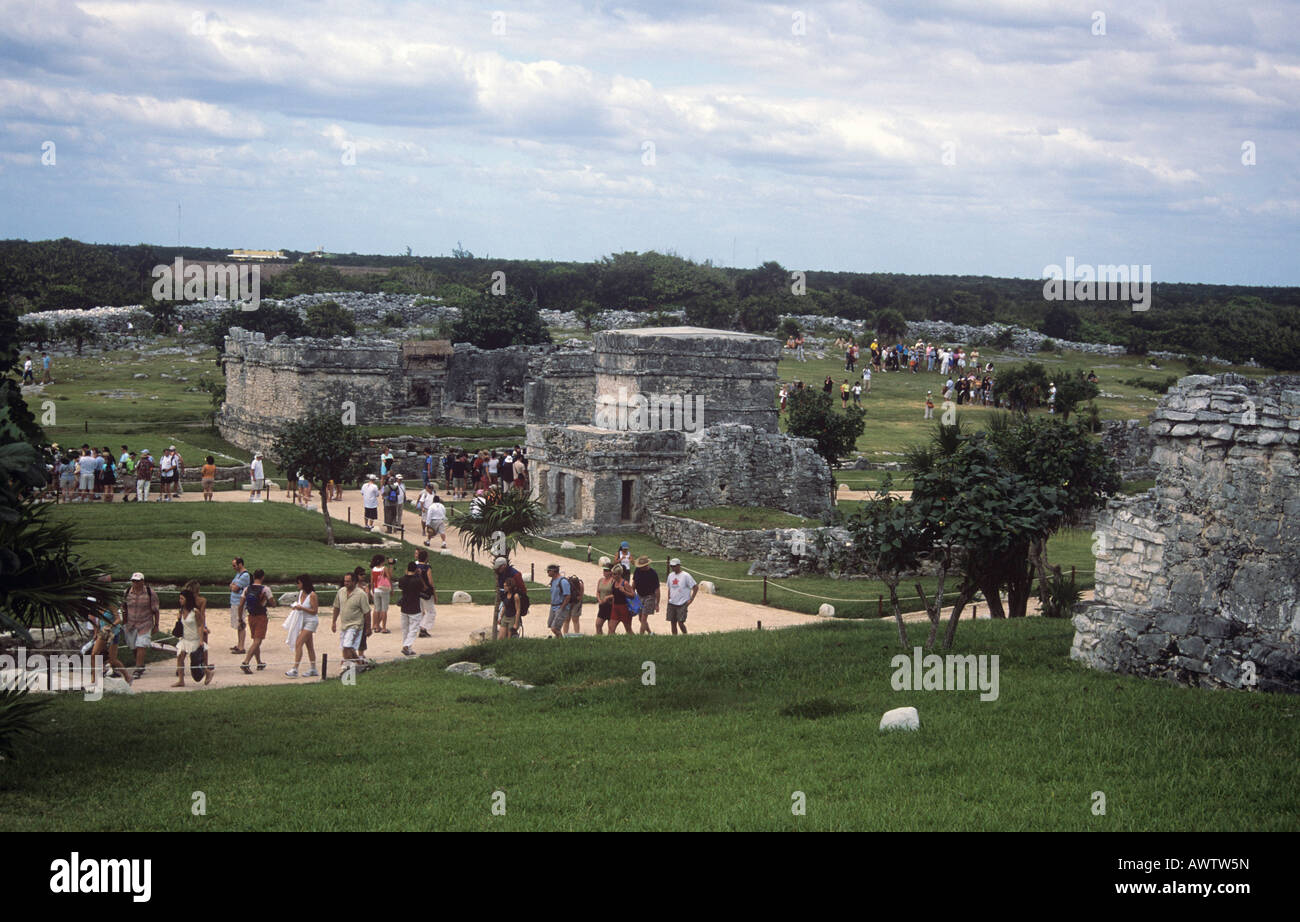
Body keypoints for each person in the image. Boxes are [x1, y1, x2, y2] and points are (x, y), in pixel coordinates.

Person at [121, 572, 160, 680]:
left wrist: (156, 625)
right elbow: (124, 608)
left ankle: (138, 669)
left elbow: (156, 610)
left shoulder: (150, 593)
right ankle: (141, 664)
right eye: (133, 581)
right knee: (133, 646)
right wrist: (123, 622)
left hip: (145, 623)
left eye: (137, 581)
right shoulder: (127, 592)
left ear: (142, 581)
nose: (135, 583)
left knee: (141, 645)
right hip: (130, 624)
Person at [172, 588, 213, 687]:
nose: (180, 600)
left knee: (195, 661)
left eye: (182, 599)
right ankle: (181, 680)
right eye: (180, 599)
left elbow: (200, 625)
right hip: (185, 639)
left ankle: (208, 672)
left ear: (187, 599)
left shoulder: (195, 612)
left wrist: (201, 640)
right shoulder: (181, 611)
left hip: (194, 639)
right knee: (180, 658)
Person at [237, 569, 275, 673]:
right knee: (258, 641)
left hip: (251, 616)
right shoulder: (265, 589)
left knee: (255, 640)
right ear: (263, 577)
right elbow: (273, 603)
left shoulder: (247, 589)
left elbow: (240, 605)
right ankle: (246, 662)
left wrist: (240, 618)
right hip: (261, 616)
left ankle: (259, 663)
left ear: (253, 577)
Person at [284, 574, 320, 678]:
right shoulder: (300, 593)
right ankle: (313, 669)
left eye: (298, 583)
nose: (297, 585)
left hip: (311, 622)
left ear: (303, 583)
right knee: (310, 646)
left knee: (298, 642)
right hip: (303, 621)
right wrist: (296, 607)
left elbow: (315, 611)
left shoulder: (312, 595)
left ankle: (295, 669)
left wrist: (301, 608)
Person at [333, 570, 372, 664]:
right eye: (345, 581)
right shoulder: (341, 592)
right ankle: (359, 662)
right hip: (344, 625)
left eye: (348, 581)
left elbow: (367, 612)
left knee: (346, 647)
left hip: (356, 626)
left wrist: (368, 628)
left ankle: (347, 666)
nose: (345, 583)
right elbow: (336, 607)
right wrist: (333, 622)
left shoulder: (361, 594)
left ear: (354, 582)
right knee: (346, 648)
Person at [494, 556, 528, 639]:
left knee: (511, 634)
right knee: (501, 635)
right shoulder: (501, 574)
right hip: (505, 601)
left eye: (499, 568)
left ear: (504, 566)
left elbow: (523, 590)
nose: (497, 570)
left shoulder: (516, 574)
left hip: (514, 603)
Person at [395, 562, 425, 656]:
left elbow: (400, 586)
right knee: (413, 629)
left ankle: (407, 647)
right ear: (416, 569)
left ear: (407, 569)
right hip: (415, 607)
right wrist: (419, 575)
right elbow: (423, 588)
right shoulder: (417, 580)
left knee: (405, 629)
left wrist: (406, 574)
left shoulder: (402, 579)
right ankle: (407, 646)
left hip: (404, 606)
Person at [664, 559, 698, 635]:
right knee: (673, 622)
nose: (673, 568)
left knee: (680, 622)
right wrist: (669, 597)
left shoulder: (686, 575)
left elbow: (695, 587)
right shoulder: (670, 575)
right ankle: (674, 637)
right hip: (672, 602)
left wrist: (691, 599)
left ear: (679, 566)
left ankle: (685, 635)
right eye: (671, 566)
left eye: (674, 566)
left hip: (682, 603)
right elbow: (670, 587)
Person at [631, 556, 660, 634]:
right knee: (640, 618)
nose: (640, 568)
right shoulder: (637, 571)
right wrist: (632, 595)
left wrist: (657, 603)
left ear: (646, 565)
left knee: (644, 618)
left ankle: (641, 636)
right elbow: (634, 583)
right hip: (639, 596)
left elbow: (657, 589)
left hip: (649, 597)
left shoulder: (653, 573)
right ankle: (650, 633)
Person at [228, 557, 251, 654]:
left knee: (241, 624)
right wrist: (233, 586)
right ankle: (239, 645)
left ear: (240, 564)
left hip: (240, 603)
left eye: (235, 565)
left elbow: (235, 588)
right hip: (235, 602)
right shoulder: (238, 574)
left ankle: (241, 647)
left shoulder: (245, 575)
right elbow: (231, 585)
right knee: (238, 624)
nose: (233, 567)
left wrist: (233, 586)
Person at [414, 547, 438, 637]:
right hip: (426, 591)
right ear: (426, 558)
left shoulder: (415, 567)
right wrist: (434, 593)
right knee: (431, 612)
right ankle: (423, 628)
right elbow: (430, 581)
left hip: (417, 591)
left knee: (420, 611)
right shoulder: (427, 567)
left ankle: (421, 627)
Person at [607, 564, 635, 635]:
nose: (612, 575)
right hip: (615, 607)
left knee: (628, 629)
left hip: (624, 608)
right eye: (612, 574)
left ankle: (635, 641)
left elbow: (633, 595)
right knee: (611, 628)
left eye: (614, 574)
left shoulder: (625, 583)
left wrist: (624, 591)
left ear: (619, 574)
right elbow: (615, 594)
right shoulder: (614, 582)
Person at [545, 563, 572, 639]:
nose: (548, 572)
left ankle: (561, 641)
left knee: (554, 628)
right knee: (551, 624)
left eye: (549, 571)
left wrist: (562, 608)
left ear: (554, 571)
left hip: (560, 607)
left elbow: (568, 596)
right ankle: (558, 640)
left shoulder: (563, 582)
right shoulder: (553, 580)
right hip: (553, 606)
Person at [370, 553, 393, 634]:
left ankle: (376, 626)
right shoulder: (384, 568)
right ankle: (383, 627)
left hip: (376, 590)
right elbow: (389, 578)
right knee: (384, 609)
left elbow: (372, 581)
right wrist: (392, 589)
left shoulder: (373, 569)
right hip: (384, 590)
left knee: (376, 609)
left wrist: (372, 590)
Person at [594, 561, 614, 635]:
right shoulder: (601, 580)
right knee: (598, 624)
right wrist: (599, 600)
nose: (604, 572)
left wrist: (608, 597)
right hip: (602, 606)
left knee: (611, 627)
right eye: (604, 570)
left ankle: (610, 641)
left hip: (611, 606)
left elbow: (617, 594)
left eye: (606, 570)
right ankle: (600, 638)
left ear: (611, 571)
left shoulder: (613, 581)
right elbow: (598, 592)